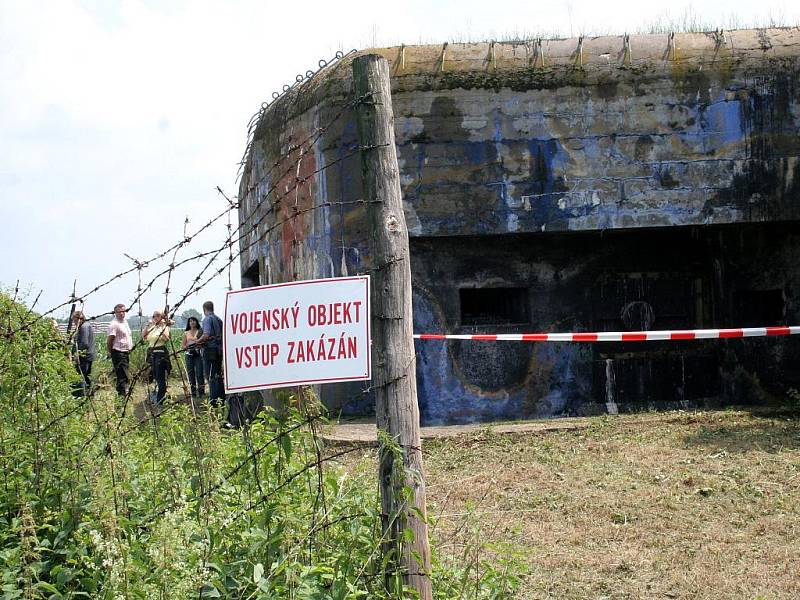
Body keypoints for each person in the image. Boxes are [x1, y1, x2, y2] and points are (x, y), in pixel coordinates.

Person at [197, 300, 224, 407]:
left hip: (210, 351)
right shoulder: (219, 319)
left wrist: (197, 342)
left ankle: (213, 401)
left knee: (211, 376)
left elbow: (206, 335)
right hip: (219, 350)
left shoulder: (207, 319)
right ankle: (221, 398)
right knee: (218, 375)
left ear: (204, 309)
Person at [142, 310, 172, 406]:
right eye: (154, 316)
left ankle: (160, 400)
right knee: (154, 375)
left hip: (160, 354)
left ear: (161, 317)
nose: (155, 318)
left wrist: (160, 327)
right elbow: (144, 336)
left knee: (160, 377)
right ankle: (158, 396)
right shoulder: (152, 327)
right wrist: (148, 325)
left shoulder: (164, 327)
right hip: (152, 354)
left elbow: (167, 338)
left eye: (158, 316)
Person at [106, 303, 132, 396]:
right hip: (118, 353)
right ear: (115, 313)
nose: (122, 313)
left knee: (123, 375)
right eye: (119, 312)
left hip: (125, 352)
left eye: (123, 311)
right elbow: (110, 340)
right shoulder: (114, 324)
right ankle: (122, 396)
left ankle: (122, 394)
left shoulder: (124, 321)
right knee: (123, 376)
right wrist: (110, 352)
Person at [71, 310, 96, 397]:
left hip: (84, 357)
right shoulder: (86, 325)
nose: (74, 323)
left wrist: (77, 353)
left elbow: (84, 343)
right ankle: (89, 394)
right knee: (87, 376)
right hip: (88, 355)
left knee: (81, 376)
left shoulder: (84, 327)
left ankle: (82, 395)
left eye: (74, 320)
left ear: (79, 319)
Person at [182, 316, 205, 398]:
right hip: (189, 355)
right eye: (190, 321)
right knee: (191, 374)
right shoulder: (186, 333)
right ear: (188, 323)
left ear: (196, 322)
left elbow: (203, 342)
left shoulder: (200, 331)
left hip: (198, 355)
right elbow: (183, 345)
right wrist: (185, 347)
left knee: (199, 373)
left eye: (194, 321)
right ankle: (193, 392)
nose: (192, 322)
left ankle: (201, 392)